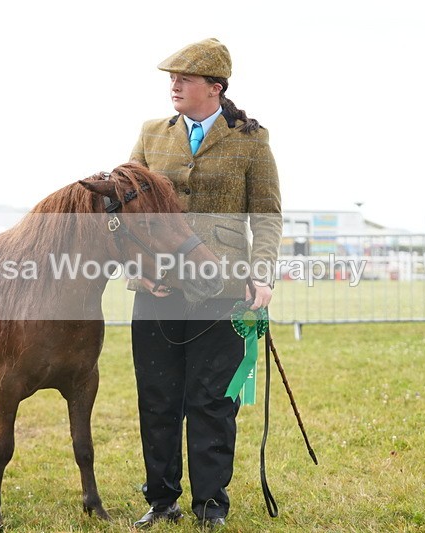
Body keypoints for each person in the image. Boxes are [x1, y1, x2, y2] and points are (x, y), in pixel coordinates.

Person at [128, 38, 282, 528]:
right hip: (159, 291)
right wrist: (138, 265)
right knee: (157, 396)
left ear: (215, 88)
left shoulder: (251, 140)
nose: (174, 84)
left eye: (185, 78)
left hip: (224, 291)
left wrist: (262, 273)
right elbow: (126, 204)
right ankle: (161, 499)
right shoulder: (152, 134)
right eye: (172, 77)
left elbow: (267, 216)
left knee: (213, 400)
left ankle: (211, 504)